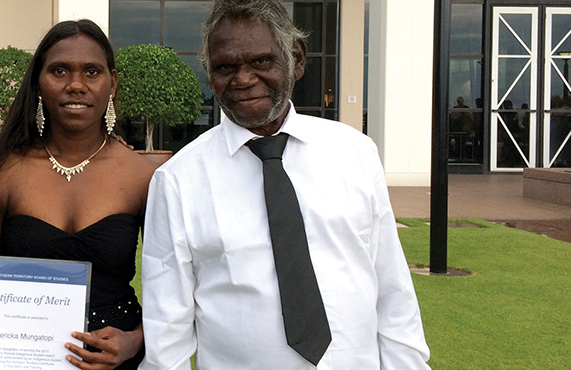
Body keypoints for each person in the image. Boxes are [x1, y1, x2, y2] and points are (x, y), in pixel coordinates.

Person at [139, 1, 430, 369]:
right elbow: (167, 329)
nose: (243, 80)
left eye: (261, 61)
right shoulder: (178, 180)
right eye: (225, 67)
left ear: (296, 59)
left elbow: (393, 291)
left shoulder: (355, 153)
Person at [0, 20, 155, 370]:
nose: (76, 85)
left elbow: (174, 290)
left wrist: (134, 341)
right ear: (39, 85)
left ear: (112, 84)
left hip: (119, 361)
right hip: (23, 359)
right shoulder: (3, 175)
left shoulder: (144, 177)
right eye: (59, 71)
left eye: (92, 71)